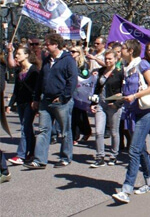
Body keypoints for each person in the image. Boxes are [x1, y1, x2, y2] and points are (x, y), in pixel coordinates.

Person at [112, 39, 150, 204]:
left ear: (131, 50)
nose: (120, 51)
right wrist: (119, 98)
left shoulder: (142, 65)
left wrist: (135, 96)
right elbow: (129, 89)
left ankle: (126, 189)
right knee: (140, 150)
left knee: (133, 150)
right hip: (132, 113)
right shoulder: (127, 68)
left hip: (144, 113)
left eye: (123, 49)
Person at [24, 33, 78, 169]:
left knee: (65, 131)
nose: (45, 47)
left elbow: (72, 81)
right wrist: (36, 98)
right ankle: (40, 160)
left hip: (61, 102)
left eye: (48, 44)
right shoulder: (47, 60)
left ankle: (65, 157)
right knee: (43, 130)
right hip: (45, 101)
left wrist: (63, 97)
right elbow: (40, 81)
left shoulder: (68, 60)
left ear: (56, 45)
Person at [90, 50, 124, 168]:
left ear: (115, 59)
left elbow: (123, 91)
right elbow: (97, 88)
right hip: (101, 104)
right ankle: (100, 156)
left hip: (113, 106)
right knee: (99, 131)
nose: (108, 61)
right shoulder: (101, 71)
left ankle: (114, 155)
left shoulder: (120, 72)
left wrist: (117, 103)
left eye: (110, 59)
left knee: (114, 132)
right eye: (106, 59)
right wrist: (93, 102)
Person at [7, 46, 39, 165]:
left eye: (19, 54)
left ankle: (21, 155)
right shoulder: (19, 70)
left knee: (24, 127)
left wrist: (36, 101)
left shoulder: (34, 70)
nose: (16, 56)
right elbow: (16, 89)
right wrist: (10, 104)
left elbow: (37, 88)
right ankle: (32, 151)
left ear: (26, 55)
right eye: (16, 54)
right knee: (27, 128)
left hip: (30, 103)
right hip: (20, 102)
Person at [70, 46, 92, 145]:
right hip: (73, 91)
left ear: (79, 53)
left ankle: (86, 131)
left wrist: (77, 76)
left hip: (81, 92)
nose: (72, 53)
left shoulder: (83, 64)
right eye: (71, 51)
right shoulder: (70, 62)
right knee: (74, 114)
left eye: (74, 51)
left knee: (80, 114)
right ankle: (75, 135)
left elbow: (85, 76)